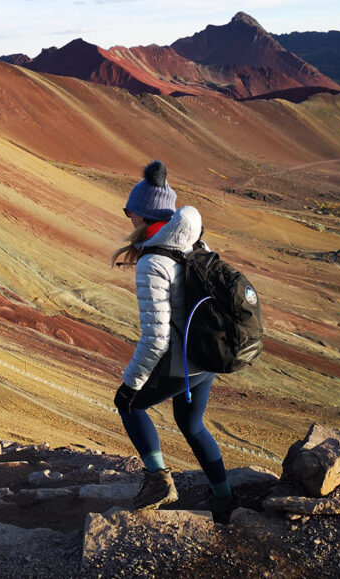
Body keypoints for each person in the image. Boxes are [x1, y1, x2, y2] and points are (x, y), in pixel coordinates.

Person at [111, 160, 237, 520]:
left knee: (130, 405)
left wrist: (131, 384)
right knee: (192, 424)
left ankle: (157, 480)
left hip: (181, 362)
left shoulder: (153, 262)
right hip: (206, 355)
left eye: (129, 212)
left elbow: (156, 336)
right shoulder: (196, 242)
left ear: (144, 215)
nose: (128, 218)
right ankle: (224, 499)